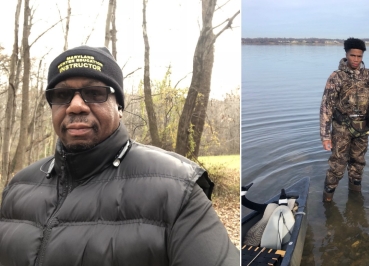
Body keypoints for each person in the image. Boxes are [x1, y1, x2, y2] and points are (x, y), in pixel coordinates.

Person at [0, 46, 239, 265]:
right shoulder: (18, 189)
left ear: (119, 107)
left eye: (94, 93)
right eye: (62, 95)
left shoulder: (177, 190)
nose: (75, 106)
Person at [320, 38, 369, 202]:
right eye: (353, 55)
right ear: (346, 54)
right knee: (337, 166)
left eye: (359, 56)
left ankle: (355, 199)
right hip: (341, 129)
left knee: (358, 164)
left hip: (363, 129)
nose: (356, 60)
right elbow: (326, 107)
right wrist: (325, 136)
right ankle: (327, 203)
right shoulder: (336, 77)